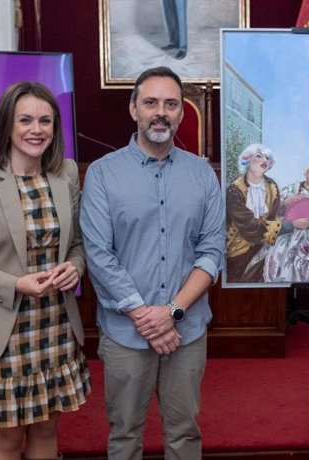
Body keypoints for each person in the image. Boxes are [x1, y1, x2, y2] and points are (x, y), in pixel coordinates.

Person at [80, 66, 225, 460]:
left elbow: (212, 252)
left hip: (187, 331)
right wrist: (146, 316)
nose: (160, 112)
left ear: (181, 113)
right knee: (125, 435)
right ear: (133, 110)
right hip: (126, 331)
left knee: (184, 434)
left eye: (171, 104)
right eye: (151, 102)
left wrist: (173, 312)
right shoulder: (102, 174)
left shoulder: (203, 175)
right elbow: (98, 253)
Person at [0, 81, 90, 460]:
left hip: (55, 324)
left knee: (46, 430)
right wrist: (16, 284)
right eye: (25, 120)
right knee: (8, 439)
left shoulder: (67, 174)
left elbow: (77, 245)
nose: (36, 129)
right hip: (6, 333)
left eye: (45, 120)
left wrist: (75, 268)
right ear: (7, 125)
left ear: (55, 128)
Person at [226, 143, 282, 283]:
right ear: (247, 159)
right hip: (238, 248)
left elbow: (274, 214)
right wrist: (280, 227)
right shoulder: (234, 189)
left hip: (264, 246)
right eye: (259, 156)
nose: (265, 160)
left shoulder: (272, 187)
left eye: (267, 159)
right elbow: (247, 224)